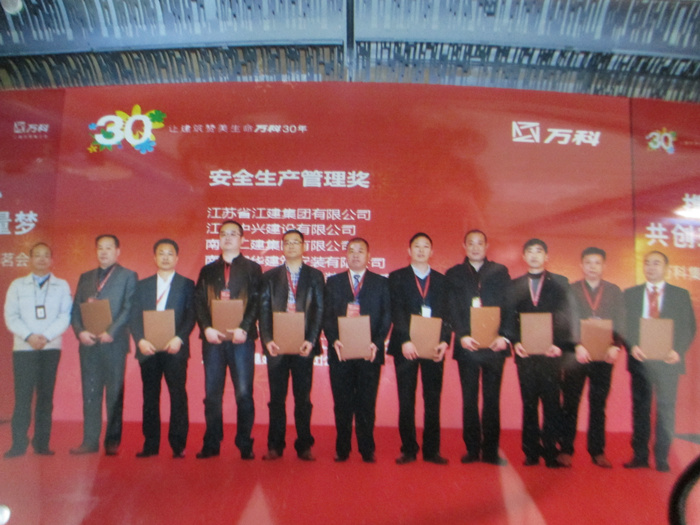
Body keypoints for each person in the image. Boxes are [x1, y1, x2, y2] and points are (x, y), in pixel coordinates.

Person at [505, 238, 576, 468]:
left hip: (551, 353)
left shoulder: (560, 283)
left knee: (551, 404)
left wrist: (560, 345)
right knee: (529, 404)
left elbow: (567, 317)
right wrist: (515, 342)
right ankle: (531, 451)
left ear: (547, 256)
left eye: (539, 251)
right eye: (530, 251)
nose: (534, 255)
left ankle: (551, 451)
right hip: (525, 353)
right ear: (524, 257)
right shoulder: (514, 285)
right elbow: (509, 317)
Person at [194, 220, 262, 459]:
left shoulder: (252, 268)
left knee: (244, 394)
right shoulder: (208, 270)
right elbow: (199, 302)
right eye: (223, 233)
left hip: (241, 339)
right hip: (213, 340)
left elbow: (256, 301)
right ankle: (212, 442)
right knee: (212, 394)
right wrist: (206, 328)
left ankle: (245, 443)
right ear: (218, 238)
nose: (228, 237)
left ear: (242, 239)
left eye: (233, 234)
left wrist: (245, 328)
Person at [623, 250, 696, 472]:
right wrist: (632, 346)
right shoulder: (631, 294)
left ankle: (662, 457)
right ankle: (640, 455)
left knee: (666, 409)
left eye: (656, 263)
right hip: (641, 360)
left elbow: (689, 327)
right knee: (640, 409)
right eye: (647, 263)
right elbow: (624, 325)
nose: (651, 267)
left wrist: (678, 351)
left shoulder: (680, 294)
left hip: (668, 361)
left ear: (666, 268)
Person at [445, 230, 511, 465]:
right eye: (470, 243)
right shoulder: (454, 273)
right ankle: (472, 449)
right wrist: (462, 336)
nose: (475, 247)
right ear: (464, 246)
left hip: (494, 345)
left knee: (492, 399)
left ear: (486, 246)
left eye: (479, 243)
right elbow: (451, 308)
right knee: (470, 399)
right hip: (468, 346)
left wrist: (505, 337)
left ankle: (491, 451)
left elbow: (509, 305)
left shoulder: (500, 272)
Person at [323, 237, 391, 463]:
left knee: (366, 403)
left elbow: (386, 316)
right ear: (346, 255)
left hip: (369, 352)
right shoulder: (333, 282)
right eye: (351, 250)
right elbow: (327, 316)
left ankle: (366, 448)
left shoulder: (381, 283)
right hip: (340, 352)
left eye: (360, 251)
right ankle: (342, 448)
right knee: (342, 403)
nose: (355, 254)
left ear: (368, 256)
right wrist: (334, 340)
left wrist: (377, 343)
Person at [259, 230, 324, 461]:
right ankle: (275, 445)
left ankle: (304, 445)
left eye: (296, 242)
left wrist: (311, 340)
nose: (292, 246)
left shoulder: (315, 275)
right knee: (277, 398)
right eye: (287, 243)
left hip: (303, 345)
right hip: (277, 345)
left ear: (304, 246)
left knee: (302, 398)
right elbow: (264, 310)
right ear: (282, 247)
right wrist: (267, 340)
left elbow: (319, 309)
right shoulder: (270, 276)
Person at [70, 234, 138, 455]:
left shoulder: (128, 276)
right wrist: (80, 332)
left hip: (114, 344)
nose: (104, 252)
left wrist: (111, 331)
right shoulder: (86, 277)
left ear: (118, 251)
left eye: (109, 248)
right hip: (89, 344)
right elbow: (75, 310)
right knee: (90, 394)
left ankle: (112, 442)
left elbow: (129, 308)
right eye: (100, 248)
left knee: (114, 394)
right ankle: (89, 441)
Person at [3, 243, 72, 458]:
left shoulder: (62, 285)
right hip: (24, 348)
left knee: (45, 397)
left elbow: (65, 316)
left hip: (50, 348)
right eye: (37, 255)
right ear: (30, 259)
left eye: (46, 255)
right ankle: (18, 444)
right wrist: (29, 336)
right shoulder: (17, 285)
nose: (42, 259)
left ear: (52, 260)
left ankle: (42, 443)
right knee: (23, 397)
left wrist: (47, 337)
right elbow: (11, 316)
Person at [388, 233, 451, 465]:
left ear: (432, 252)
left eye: (426, 246)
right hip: (406, 347)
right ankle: (409, 449)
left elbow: (447, 313)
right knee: (406, 399)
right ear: (409, 250)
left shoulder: (442, 280)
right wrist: (405, 340)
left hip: (434, 345)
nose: (421, 250)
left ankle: (432, 450)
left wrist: (445, 341)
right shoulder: (397, 277)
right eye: (417, 246)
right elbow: (396, 310)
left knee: (432, 399)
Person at [558, 247, 624, 468]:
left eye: (597, 263)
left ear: (604, 265)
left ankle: (597, 451)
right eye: (588, 262)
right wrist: (576, 346)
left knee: (598, 404)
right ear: (581, 265)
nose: (592, 267)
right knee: (570, 402)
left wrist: (616, 347)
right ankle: (565, 449)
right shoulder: (571, 289)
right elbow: (564, 321)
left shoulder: (614, 291)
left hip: (604, 355)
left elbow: (621, 321)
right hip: (577, 355)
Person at [130, 239, 196, 458]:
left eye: (170, 253)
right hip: (148, 348)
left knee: (177, 395)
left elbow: (191, 315)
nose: (165, 257)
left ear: (177, 258)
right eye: (161, 253)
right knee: (150, 396)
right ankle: (150, 444)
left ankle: (178, 444)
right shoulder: (142, 285)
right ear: (154, 257)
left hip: (174, 348)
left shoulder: (187, 284)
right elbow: (134, 315)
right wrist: (140, 340)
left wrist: (180, 338)